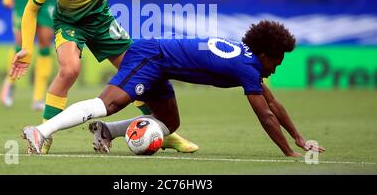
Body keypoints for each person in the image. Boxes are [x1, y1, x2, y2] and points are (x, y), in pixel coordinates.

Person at [10, 0, 198, 154]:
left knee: (138, 71)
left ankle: (164, 132)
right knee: (69, 70)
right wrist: (26, 47)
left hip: (102, 21)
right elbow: (31, 9)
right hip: (70, 24)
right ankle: (45, 134)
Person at [20, 20, 326, 157]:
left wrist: (299, 139)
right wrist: (288, 153)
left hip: (162, 63)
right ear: (264, 54)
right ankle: (42, 130)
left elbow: (274, 106)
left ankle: (106, 132)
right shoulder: (248, 67)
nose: (278, 65)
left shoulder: (248, 62)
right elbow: (266, 116)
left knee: (170, 124)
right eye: (278, 59)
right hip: (152, 56)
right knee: (109, 103)